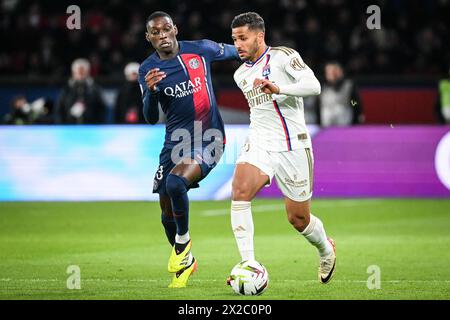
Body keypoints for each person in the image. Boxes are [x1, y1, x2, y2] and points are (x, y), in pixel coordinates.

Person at [228, 12, 336, 285]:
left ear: (259, 36)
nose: (238, 44)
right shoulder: (240, 74)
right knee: (240, 191)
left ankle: (326, 250)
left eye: (243, 38)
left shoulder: (283, 56)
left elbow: (314, 86)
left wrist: (279, 88)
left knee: (298, 219)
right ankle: (248, 264)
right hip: (260, 140)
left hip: (293, 145)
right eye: (234, 39)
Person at [138, 11, 240, 288]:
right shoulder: (147, 70)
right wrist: (151, 93)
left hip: (210, 138)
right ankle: (186, 262)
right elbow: (149, 117)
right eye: (155, 33)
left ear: (175, 29)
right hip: (174, 142)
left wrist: (266, 54)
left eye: (166, 29)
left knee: (175, 183)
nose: (162, 36)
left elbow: (240, 50)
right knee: (166, 213)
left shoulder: (201, 50)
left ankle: (183, 244)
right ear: (149, 38)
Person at [55, 58, 107, 124]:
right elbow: (59, 111)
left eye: (83, 71)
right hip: (69, 128)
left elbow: (102, 110)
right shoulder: (66, 89)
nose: (81, 74)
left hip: (91, 128)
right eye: (78, 71)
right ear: (73, 72)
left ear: (88, 72)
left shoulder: (95, 89)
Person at [315, 62, 364, 127]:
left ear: (340, 72)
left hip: (343, 122)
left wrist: (358, 112)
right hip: (326, 125)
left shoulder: (348, 86)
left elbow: (354, 101)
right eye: (328, 72)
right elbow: (318, 105)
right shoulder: (322, 87)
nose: (330, 74)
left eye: (333, 72)